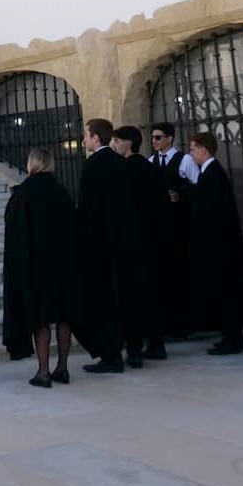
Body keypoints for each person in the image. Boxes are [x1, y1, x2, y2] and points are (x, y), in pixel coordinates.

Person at [2, 147, 80, 388]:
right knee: (64, 317)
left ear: (32, 164)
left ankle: (43, 371)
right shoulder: (61, 192)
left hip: (36, 265)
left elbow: (14, 230)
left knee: (41, 319)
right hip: (64, 264)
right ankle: (63, 367)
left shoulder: (24, 193)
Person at [74, 117, 139, 374]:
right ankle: (132, 350)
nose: (84, 140)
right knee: (124, 296)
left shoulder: (93, 165)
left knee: (104, 301)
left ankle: (111, 356)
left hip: (100, 244)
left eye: (86, 135)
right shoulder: (120, 162)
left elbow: (87, 208)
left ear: (96, 137)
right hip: (123, 242)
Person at [188, 131, 243, 355]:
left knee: (226, 292)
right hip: (219, 245)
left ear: (203, 150)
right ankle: (229, 335)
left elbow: (211, 209)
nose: (191, 154)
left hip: (220, 247)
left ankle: (232, 338)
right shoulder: (209, 173)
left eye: (193, 149)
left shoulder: (213, 174)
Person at [112, 126, 168, 361]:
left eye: (117, 141)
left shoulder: (122, 170)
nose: (114, 145)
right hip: (152, 240)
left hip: (130, 242)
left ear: (128, 143)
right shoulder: (151, 168)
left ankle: (134, 350)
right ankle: (156, 344)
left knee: (132, 296)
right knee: (151, 293)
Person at [148, 121, 199, 339]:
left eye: (158, 137)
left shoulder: (184, 160)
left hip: (181, 228)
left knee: (182, 276)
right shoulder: (151, 162)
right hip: (160, 229)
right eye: (152, 138)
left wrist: (180, 194)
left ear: (169, 138)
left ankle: (185, 324)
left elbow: (198, 187)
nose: (154, 141)